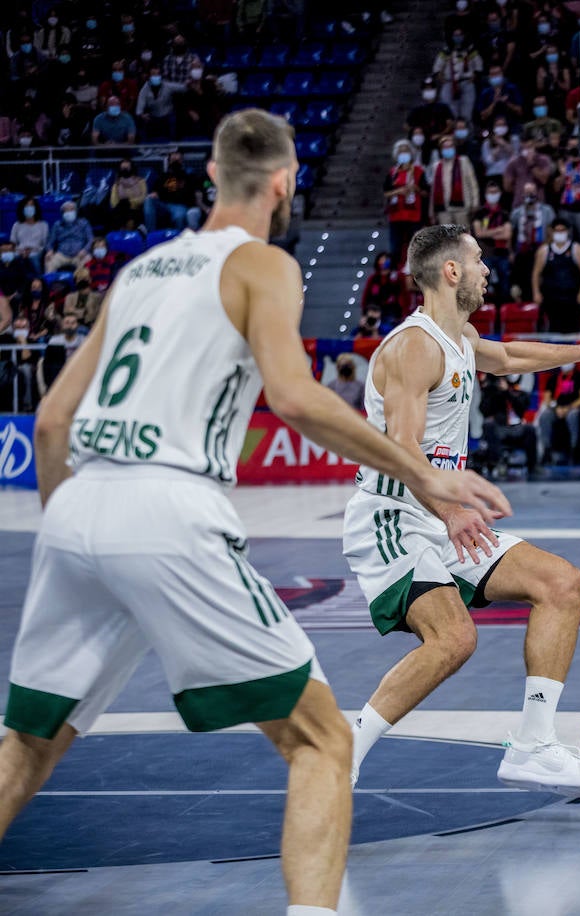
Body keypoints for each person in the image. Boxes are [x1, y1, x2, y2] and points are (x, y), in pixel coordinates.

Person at [0, 109, 510, 916]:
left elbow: (53, 422)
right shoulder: (263, 264)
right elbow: (297, 398)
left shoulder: (141, 270)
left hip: (75, 508)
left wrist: (82, 529)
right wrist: (427, 475)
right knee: (321, 741)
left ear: (210, 176)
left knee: (26, 745)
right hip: (166, 506)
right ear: (284, 182)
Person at [342, 224, 580, 796]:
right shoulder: (414, 346)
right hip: (396, 513)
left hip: (440, 511)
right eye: (479, 260)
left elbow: (508, 355)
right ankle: (345, 751)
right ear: (451, 271)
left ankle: (533, 746)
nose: (488, 270)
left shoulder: (457, 337)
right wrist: (453, 511)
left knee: (561, 583)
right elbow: (402, 450)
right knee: (452, 640)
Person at [531, 217, 580, 334]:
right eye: (557, 231)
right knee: (553, 330)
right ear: (552, 232)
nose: (560, 234)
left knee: (573, 330)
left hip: (572, 298)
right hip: (551, 299)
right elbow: (536, 273)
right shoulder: (544, 251)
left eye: (562, 230)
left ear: (567, 231)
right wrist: (536, 292)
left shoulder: (576, 249)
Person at [384, 141, 428, 269]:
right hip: (396, 215)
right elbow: (386, 193)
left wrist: (416, 188)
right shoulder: (392, 173)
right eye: (401, 151)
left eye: (406, 151)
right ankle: (394, 273)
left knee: (415, 247)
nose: (403, 154)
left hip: (414, 216)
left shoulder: (419, 171)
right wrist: (399, 191)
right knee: (395, 248)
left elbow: (426, 192)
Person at [44, 201, 93, 273]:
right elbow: (50, 242)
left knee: (88, 260)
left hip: (79, 254)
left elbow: (90, 239)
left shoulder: (84, 223)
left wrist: (85, 250)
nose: (69, 212)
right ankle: (50, 282)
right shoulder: (57, 225)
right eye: (66, 210)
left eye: (71, 210)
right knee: (49, 260)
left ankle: (84, 283)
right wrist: (49, 250)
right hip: (61, 254)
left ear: (76, 211)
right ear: (62, 213)